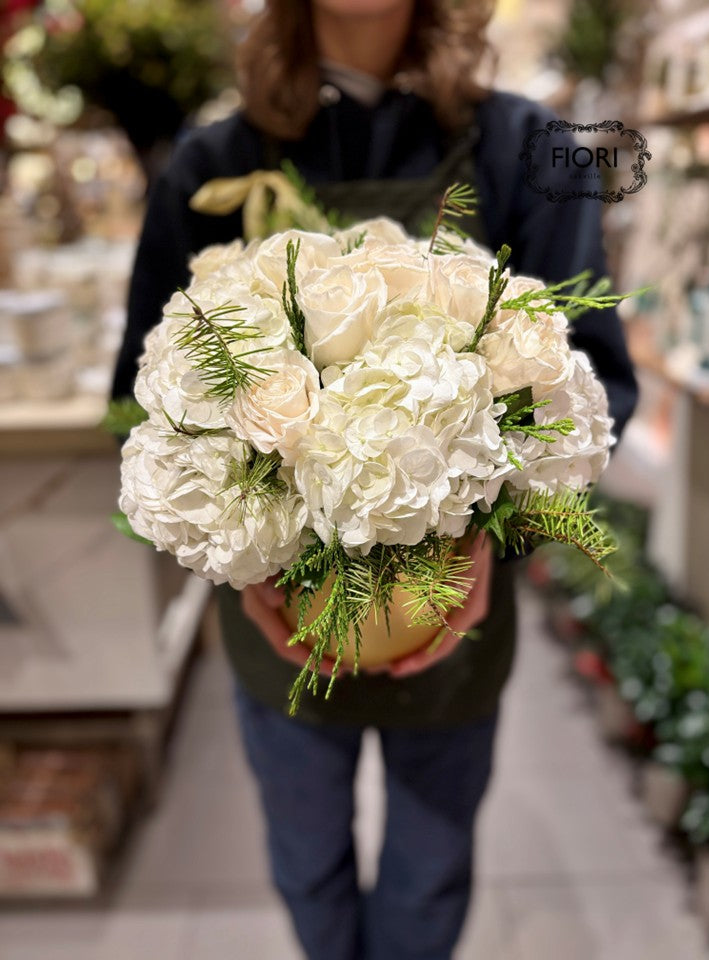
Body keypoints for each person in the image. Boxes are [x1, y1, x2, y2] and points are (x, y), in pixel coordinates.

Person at [112, 2, 638, 957]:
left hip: (457, 604)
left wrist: (492, 545)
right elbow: (141, 398)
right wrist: (239, 555)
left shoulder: (532, 149)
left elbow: (593, 381)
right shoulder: (211, 162)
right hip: (277, 614)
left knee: (430, 870)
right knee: (305, 860)